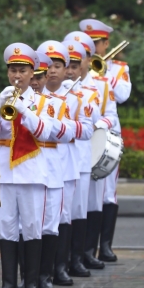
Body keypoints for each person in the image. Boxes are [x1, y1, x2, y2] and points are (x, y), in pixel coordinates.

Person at [0, 43, 57, 288]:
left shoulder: (43, 102)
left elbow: (45, 132)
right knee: (6, 227)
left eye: (22, 71)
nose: (17, 75)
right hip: (4, 169)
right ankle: (8, 285)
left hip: (32, 170)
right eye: (13, 70)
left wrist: (24, 109)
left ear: (32, 73)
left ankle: (31, 284)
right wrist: (0, 104)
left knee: (32, 227)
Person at [38, 41, 92, 287]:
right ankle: (37, 271)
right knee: (35, 220)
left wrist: (62, 128)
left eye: (58, 66)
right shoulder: (33, 95)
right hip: (35, 163)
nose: (52, 71)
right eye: (48, 66)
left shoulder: (76, 97)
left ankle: (58, 267)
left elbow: (87, 129)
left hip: (65, 164)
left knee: (62, 217)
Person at [64, 32, 116, 270]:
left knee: (88, 204)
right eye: (69, 63)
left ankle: (85, 252)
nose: (73, 68)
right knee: (65, 209)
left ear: (88, 60)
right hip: (62, 153)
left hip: (87, 150)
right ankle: (65, 258)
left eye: (78, 62)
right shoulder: (57, 87)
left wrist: (95, 126)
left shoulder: (101, 86)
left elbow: (110, 117)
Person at [80, 19, 130, 262]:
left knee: (107, 192)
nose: (93, 47)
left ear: (106, 43)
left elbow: (122, 95)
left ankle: (105, 245)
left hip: (108, 137)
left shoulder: (119, 68)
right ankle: (86, 249)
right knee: (86, 193)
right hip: (84, 133)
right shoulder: (79, 68)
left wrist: (103, 71)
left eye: (96, 43)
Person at [29, 48, 77, 288]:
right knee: (27, 226)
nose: (36, 81)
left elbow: (72, 131)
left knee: (52, 223)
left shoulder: (58, 103)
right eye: (32, 76)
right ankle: (28, 278)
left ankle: (47, 275)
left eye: (40, 75)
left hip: (54, 166)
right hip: (26, 170)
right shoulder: (12, 99)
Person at [60, 38, 104, 276]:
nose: (69, 71)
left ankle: (76, 259)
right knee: (61, 212)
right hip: (60, 159)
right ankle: (61, 260)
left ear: (83, 66)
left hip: (80, 157)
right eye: (65, 65)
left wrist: (76, 94)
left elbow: (94, 118)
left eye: (74, 65)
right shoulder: (50, 92)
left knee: (78, 210)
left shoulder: (88, 92)